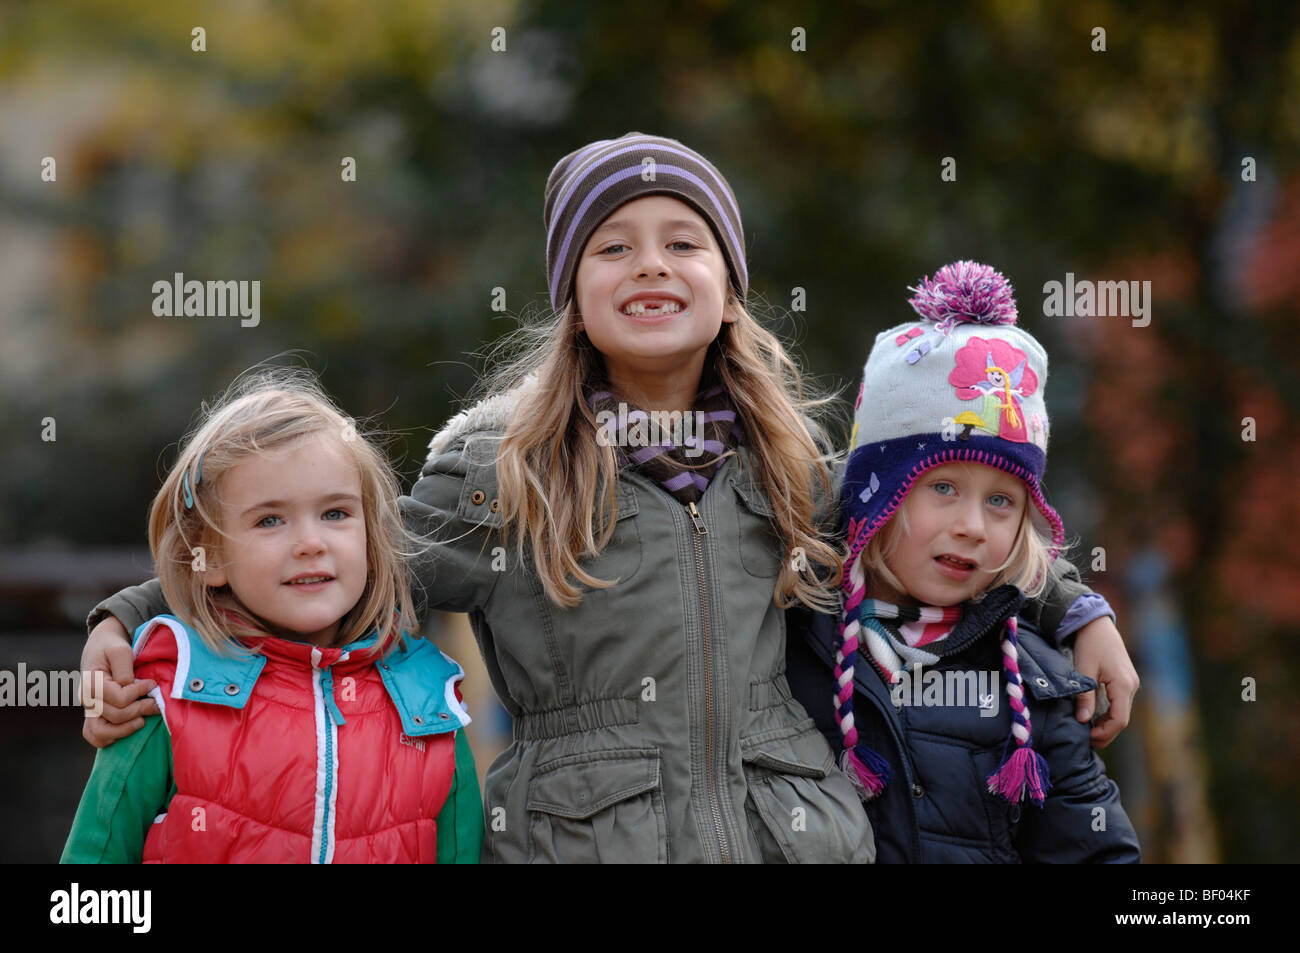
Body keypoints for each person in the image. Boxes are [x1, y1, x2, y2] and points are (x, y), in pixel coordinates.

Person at [80, 134, 1132, 863]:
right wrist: (133, 616)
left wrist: (1076, 611)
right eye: (612, 246)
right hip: (580, 837)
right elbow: (335, 561)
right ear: (571, 293)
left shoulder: (786, 459)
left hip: (790, 835)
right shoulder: (506, 464)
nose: (651, 265)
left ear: (729, 284)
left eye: (684, 241)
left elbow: (931, 538)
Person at [785, 261, 1140, 861]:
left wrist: (1083, 610)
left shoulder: (1038, 687)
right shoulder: (788, 632)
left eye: (1001, 500)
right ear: (878, 495)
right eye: (942, 487)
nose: (972, 526)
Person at [63, 371, 481, 863]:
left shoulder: (430, 705)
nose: (310, 543)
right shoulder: (168, 688)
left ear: (373, 540)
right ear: (211, 557)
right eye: (270, 520)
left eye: (335, 514)